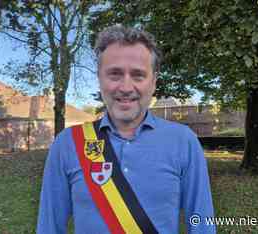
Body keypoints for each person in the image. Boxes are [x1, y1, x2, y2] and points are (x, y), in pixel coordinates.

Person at [37, 25, 216, 234]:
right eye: (114, 74)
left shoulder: (184, 141)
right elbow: (49, 226)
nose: (126, 87)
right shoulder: (67, 143)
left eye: (138, 75)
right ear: (99, 78)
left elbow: (202, 222)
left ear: (154, 82)